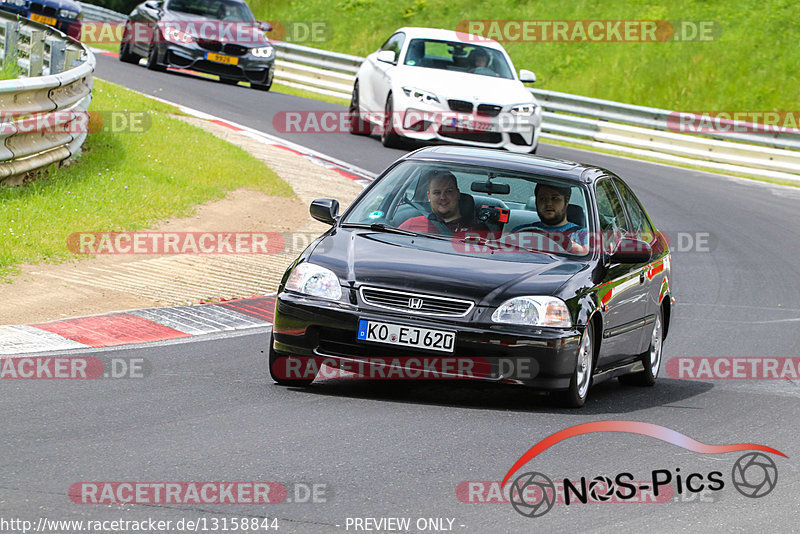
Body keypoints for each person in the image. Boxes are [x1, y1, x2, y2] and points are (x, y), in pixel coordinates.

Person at [399, 170, 481, 234]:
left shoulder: (477, 230)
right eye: (437, 193)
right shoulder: (411, 225)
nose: (442, 197)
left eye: (448, 191)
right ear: (429, 196)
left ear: (457, 194)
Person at [517, 183, 589, 254]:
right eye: (542, 198)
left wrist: (566, 244)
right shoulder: (521, 231)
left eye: (554, 198)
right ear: (536, 201)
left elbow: (588, 255)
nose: (548, 203)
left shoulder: (582, 234)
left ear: (566, 201)